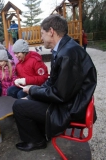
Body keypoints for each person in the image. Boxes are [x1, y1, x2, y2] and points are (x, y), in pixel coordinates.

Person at [12, 14, 97, 152]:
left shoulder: (68, 54)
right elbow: (52, 82)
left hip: (70, 108)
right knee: (26, 99)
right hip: (70, 101)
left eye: (42, 33)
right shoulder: (65, 49)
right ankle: (41, 133)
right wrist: (32, 94)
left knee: (19, 106)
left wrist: (32, 90)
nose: (41, 38)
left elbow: (59, 94)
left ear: (51, 32)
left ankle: (36, 141)